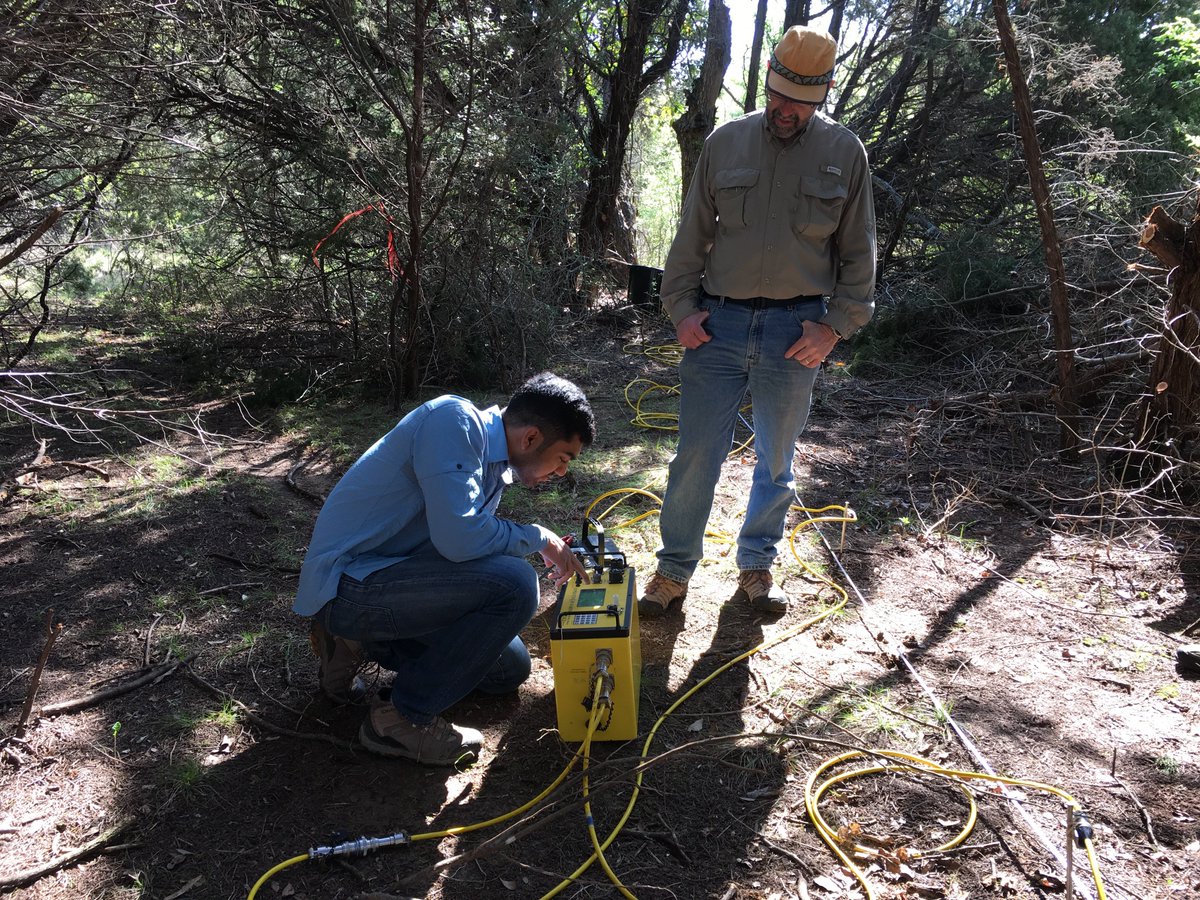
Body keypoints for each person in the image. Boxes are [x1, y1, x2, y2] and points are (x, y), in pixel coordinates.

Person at [639, 24, 876, 619]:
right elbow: (691, 235)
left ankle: (755, 566)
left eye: (799, 101)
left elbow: (858, 253)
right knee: (695, 454)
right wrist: (682, 311)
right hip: (717, 326)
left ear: (821, 95)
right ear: (768, 81)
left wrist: (836, 327)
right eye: (776, 95)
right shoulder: (726, 143)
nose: (784, 109)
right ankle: (672, 573)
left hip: (796, 333)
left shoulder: (845, 154)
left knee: (776, 460)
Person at [294, 372, 595, 765]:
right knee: (518, 584)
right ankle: (400, 719)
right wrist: (538, 537)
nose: (561, 473)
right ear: (532, 438)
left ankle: (360, 641)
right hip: (349, 584)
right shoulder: (454, 421)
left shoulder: (494, 464)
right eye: (563, 459)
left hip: (396, 579)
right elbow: (460, 539)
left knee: (507, 669)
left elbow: (460, 549)